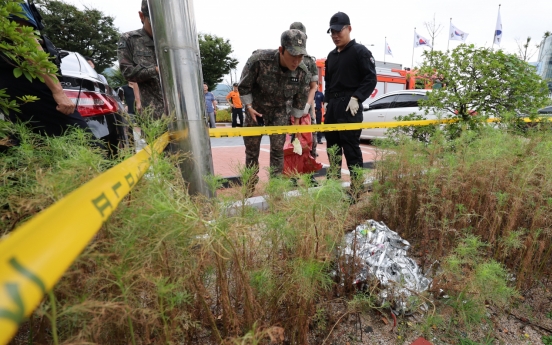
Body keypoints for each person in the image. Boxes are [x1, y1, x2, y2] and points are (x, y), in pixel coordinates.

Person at [0, 2, 91, 138]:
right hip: (26, 81)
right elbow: (27, 42)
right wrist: (58, 91)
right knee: (83, 141)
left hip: (13, 84)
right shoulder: (13, 3)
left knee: (28, 143)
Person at [238, 29, 310, 195]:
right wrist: (249, 107)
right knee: (251, 152)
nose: (296, 61)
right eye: (293, 55)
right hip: (256, 110)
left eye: (300, 56)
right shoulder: (259, 60)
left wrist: (296, 130)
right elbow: (244, 86)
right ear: (281, 50)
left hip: (280, 111)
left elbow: (300, 101)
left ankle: (276, 190)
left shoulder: (302, 71)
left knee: (278, 152)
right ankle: (248, 190)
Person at [324, 12, 377, 200]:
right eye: (332, 32)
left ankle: (356, 189)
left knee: (351, 150)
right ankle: (333, 187)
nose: (335, 35)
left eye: (339, 31)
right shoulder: (331, 56)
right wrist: (327, 102)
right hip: (333, 108)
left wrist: (357, 97)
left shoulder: (360, 52)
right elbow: (328, 82)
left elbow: (371, 78)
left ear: (349, 28)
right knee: (333, 149)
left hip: (350, 107)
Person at [117, 0, 164, 119]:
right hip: (152, 113)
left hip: (181, 111)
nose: (158, 27)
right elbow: (127, 72)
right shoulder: (130, 39)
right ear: (141, 16)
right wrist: (155, 70)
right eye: (153, 22)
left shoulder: (174, 40)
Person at [289, 22, 319, 158]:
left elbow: (314, 86)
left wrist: (307, 105)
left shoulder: (309, 62)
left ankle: (309, 173)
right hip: (288, 107)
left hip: (306, 107)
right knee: (290, 141)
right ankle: (291, 175)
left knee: (310, 140)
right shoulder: (284, 58)